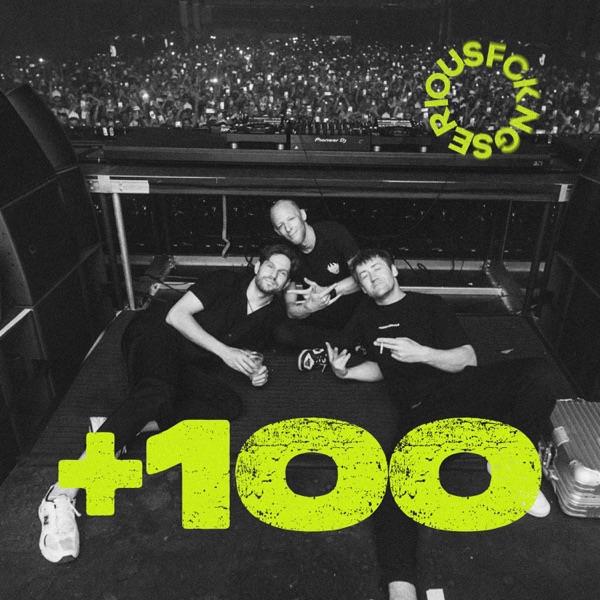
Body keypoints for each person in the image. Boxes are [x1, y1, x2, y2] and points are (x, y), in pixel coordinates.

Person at [38, 243, 298, 564]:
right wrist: (225, 353)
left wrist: (256, 371)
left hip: (186, 363)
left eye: (282, 273)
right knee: (157, 393)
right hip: (155, 335)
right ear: (258, 266)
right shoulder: (225, 281)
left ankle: (122, 425)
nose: (274, 275)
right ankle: (62, 492)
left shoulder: (271, 314)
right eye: (271, 266)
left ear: (286, 282)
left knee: (228, 406)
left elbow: (247, 352)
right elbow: (176, 315)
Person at [325, 249, 558, 600]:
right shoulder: (364, 317)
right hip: (422, 411)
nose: (372, 278)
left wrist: (420, 353)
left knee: (539, 373)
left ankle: (511, 464)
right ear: (362, 286)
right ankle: (401, 588)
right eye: (364, 277)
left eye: (377, 269)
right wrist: (346, 372)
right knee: (393, 483)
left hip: (463, 389)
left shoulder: (429, 305)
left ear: (394, 271)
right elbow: (382, 369)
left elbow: (467, 359)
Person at [269, 199, 361, 369]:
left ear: (303, 215)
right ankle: (351, 346)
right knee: (281, 332)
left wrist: (329, 292)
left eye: (291, 219)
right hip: (321, 315)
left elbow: (362, 278)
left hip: (354, 309)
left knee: (373, 312)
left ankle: (331, 350)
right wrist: (309, 307)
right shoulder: (287, 255)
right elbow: (291, 310)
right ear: (277, 231)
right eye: (281, 225)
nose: (288, 228)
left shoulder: (333, 232)